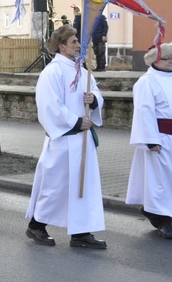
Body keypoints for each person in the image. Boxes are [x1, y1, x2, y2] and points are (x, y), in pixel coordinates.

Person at [25, 25, 107, 249]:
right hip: (64, 139)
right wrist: (77, 121)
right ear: (61, 46)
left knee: (84, 186)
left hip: (84, 140)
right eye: (73, 42)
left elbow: (97, 93)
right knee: (56, 186)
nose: (78, 45)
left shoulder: (82, 71)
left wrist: (94, 99)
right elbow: (50, 106)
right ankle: (36, 225)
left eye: (78, 41)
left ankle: (81, 233)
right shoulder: (53, 72)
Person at [126, 42, 172, 240]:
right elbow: (144, 111)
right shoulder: (146, 82)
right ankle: (161, 218)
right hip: (161, 139)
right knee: (160, 181)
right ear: (154, 60)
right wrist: (150, 139)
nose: (170, 61)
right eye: (166, 58)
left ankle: (156, 211)